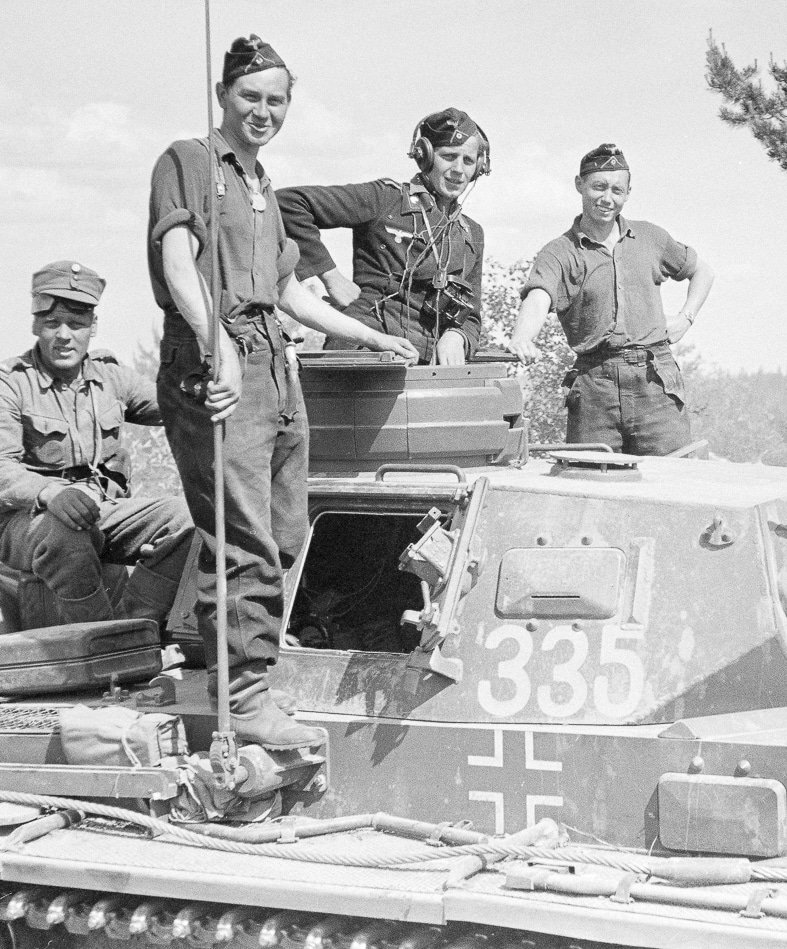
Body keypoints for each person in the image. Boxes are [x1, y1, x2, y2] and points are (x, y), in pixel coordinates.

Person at [147, 35, 418, 748]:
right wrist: (216, 346)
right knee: (241, 539)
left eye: (276, 100)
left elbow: (291, 291)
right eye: (250, 97)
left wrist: (367, 335)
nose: (263, 111)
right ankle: (242, 698)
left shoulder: (263, 183)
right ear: (223, 96)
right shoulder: (191, 161)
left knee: (286, 533)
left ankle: (240, 671)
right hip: (217, 360)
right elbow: (179, 260)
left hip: (276, 365)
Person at [0, 261, 194, 630]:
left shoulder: (109, 377)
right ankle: (102, 645)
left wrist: (206, 382)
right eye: (51, 324)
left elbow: (174, 407)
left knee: (191, 518)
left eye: (76, 325)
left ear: (93, 328)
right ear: (35, 326)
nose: (63, 336)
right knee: (65, 537)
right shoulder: (10, 383)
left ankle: (131, 625)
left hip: (100, 512)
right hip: (26, 523)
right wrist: (50, 492)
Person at [507, 144, 715, 455]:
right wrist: (522, 337)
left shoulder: (651, 238)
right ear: (580, 185)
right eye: (599, 187)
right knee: (590, 483)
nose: (607, 198)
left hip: (655, 383)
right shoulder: (559, 252)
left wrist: (686, 317)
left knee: (672, 483)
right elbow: (539, 295)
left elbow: (703, 271)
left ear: (628, 193)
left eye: (617, 190)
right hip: (594, 388)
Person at [277, 109, 489, 365]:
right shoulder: (386, 200)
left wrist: (457, 335)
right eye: (448, 157)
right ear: (426, 156)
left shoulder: (470, 234)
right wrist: (330, 275)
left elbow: (472, 317)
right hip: (364, 352)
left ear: (479, 167)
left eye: (468, 161)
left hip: (424, 364)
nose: (458, 170)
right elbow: (289, 204)